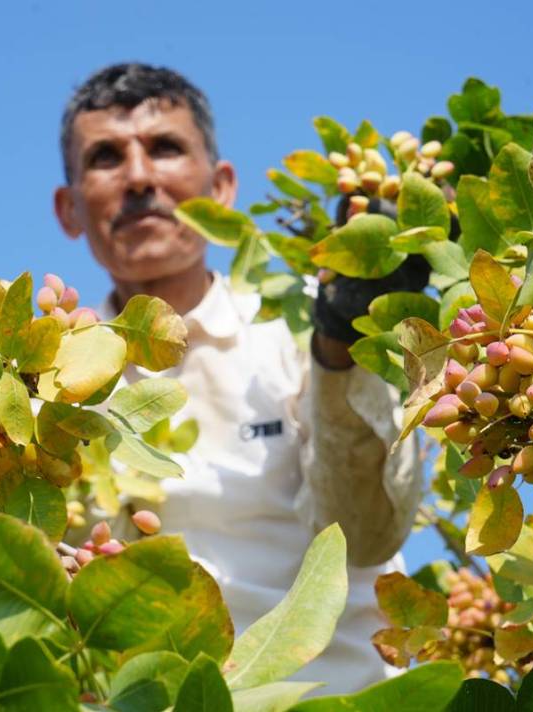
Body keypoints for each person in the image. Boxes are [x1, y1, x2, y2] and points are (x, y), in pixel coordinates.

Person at [52, 63, 422, 692]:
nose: (139, 177)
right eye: (107, 157)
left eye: (165, 148)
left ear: (222, 187)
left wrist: (338, 348)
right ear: (70, 209)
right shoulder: (46, 382)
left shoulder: (307, 322)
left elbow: (365, 535)